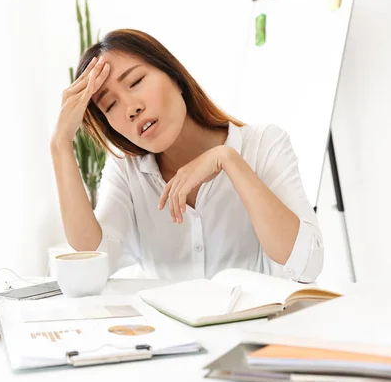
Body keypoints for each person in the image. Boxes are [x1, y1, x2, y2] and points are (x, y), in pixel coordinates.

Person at [50, 29, 322, 282]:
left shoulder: (263, 145)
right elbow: (94, 260)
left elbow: (306, 265)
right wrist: (61, 145)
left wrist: (228, 160)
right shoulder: (126, 171)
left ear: (175, 77)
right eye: (110, 105)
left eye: (136, 82)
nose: (131, 108)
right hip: (165, 333)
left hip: (252, 331)